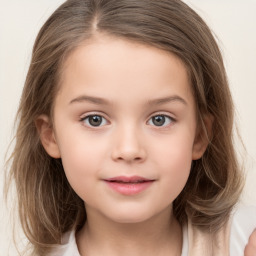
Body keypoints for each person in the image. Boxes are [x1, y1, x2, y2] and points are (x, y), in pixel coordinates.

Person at [5, 0, 256, 255]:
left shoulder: (245, 241)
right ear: (50, 135)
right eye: (95, 119)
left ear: (200, 135)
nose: (128, 150)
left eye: (160, 119)